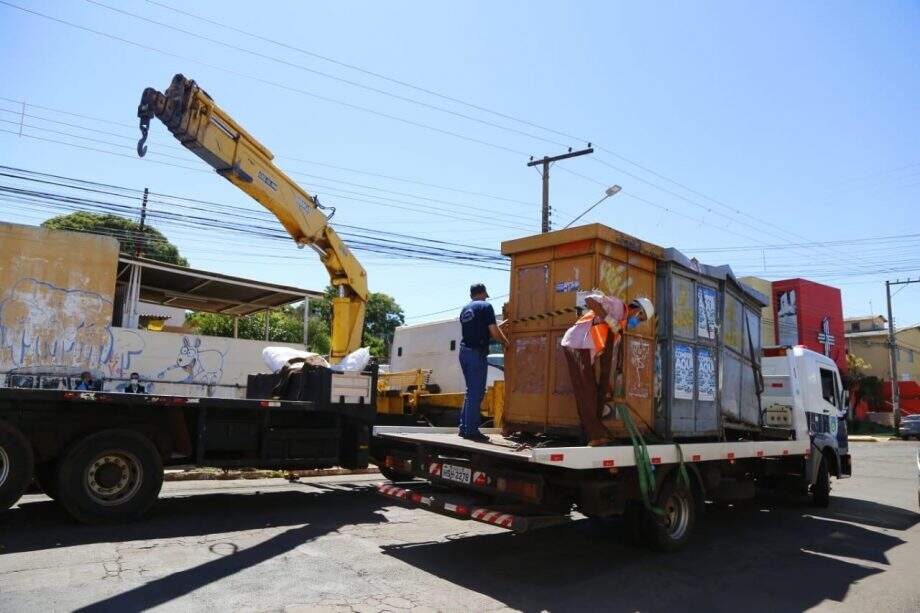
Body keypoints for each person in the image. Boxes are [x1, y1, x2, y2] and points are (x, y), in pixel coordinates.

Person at [561, 292, 654, 446]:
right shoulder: (617, 306)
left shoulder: (619, 328)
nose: (637, 322)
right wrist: (609, 318)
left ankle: (592, 432)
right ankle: (595, 435)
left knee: (595, 392)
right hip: (575, 344)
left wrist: (607, 384)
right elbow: (589, 300)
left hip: (586, 352)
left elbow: (606, 353)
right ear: (637, 309)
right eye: (640, 318)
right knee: (586, 392)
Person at [458, 283, 509, 442]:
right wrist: (506, 342)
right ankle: (471, 431)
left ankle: (464, 428)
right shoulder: (486, 306)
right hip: (476, 354)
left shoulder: (465, 309)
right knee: (476, 393)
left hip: (464, 352)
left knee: (470, 392)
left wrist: (501, 326)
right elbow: (493, 332)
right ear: (482, 293)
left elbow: (479, 329)